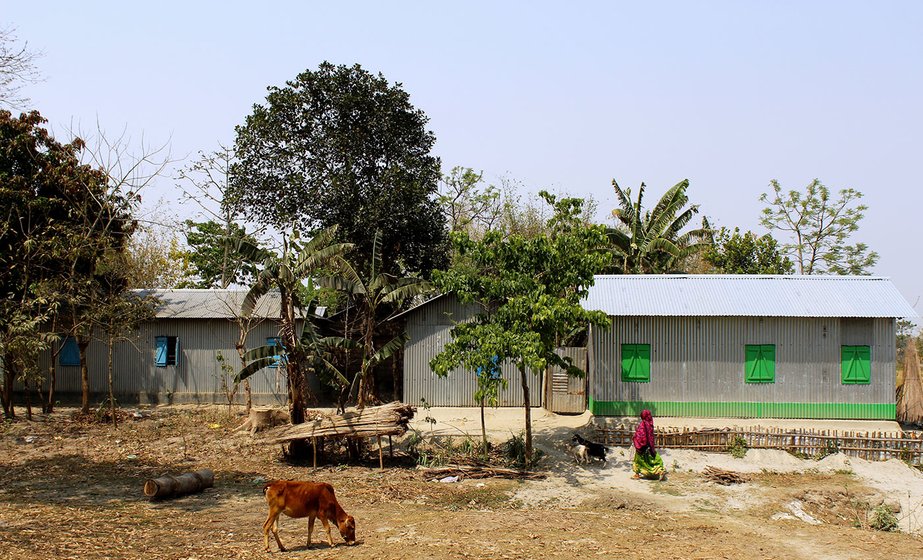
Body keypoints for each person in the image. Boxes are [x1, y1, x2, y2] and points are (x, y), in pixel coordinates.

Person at [632, 409, 666, 480]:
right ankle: (660, 471)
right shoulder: (650, 424)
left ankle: (637, 474)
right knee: (654, 459)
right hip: (650, 446)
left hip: (642, 446)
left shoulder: (643, 424)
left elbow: (641, 435)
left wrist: (635, 438)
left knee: (638, 460)